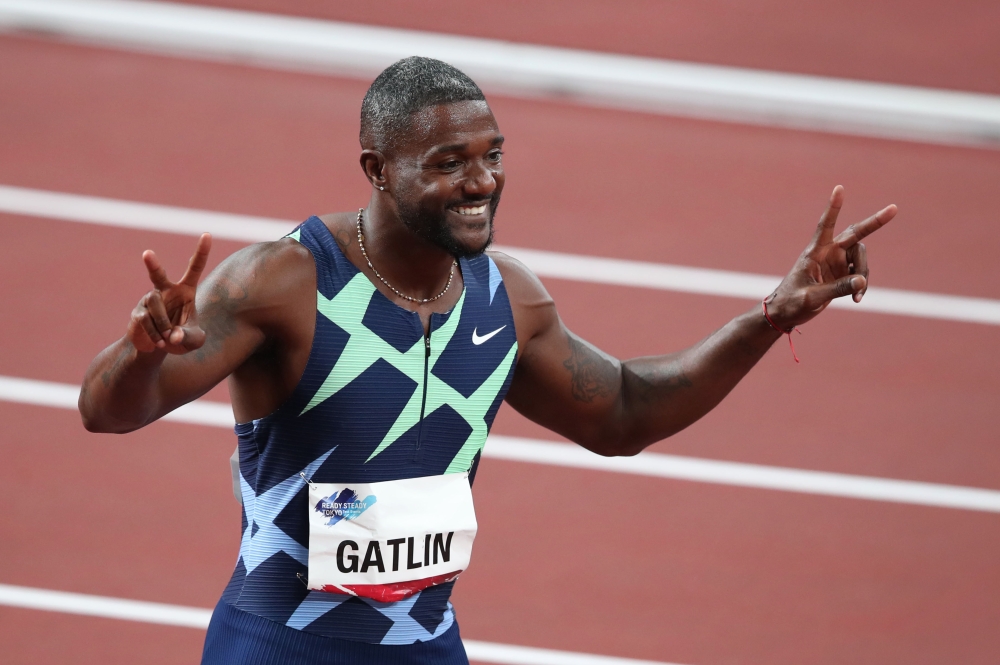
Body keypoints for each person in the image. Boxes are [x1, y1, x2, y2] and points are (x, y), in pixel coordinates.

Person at [78, 57, 895, 664]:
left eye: (492, 154)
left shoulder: (508, 298)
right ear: (376, 169)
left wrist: (766, 319)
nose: (483, 181)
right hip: (279, 646)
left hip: (426, 644)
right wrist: (139, 351)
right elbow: (108, 409)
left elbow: (622, 414)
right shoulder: (284, 282)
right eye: (448, 163)